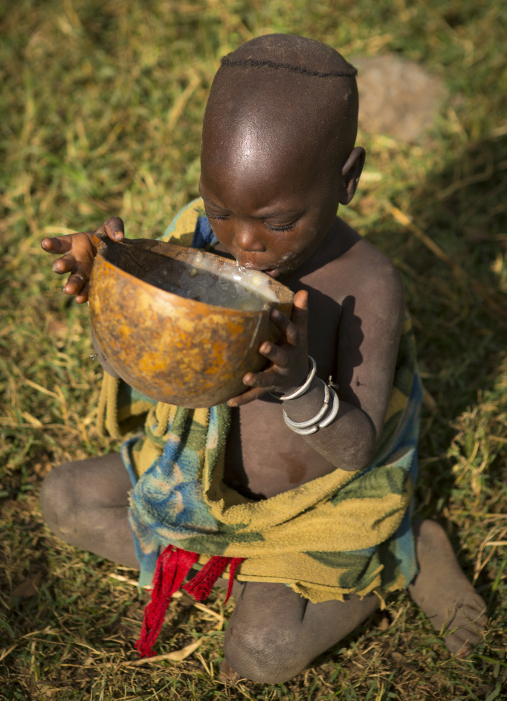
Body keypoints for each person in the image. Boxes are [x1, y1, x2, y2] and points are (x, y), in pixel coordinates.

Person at [40, 34, 486, 684]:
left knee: (261, 656)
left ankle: (399, 557)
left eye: (276, 220)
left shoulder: (366, 282)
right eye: (222, 209)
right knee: (62, 500)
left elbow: (358, 449)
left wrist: (302, 384)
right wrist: (113, 294)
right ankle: (236, 567)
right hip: (197, 472)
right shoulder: (200, 240)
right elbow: (138, 372)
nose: (244, 243)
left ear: (347, 178)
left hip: (308, 512)